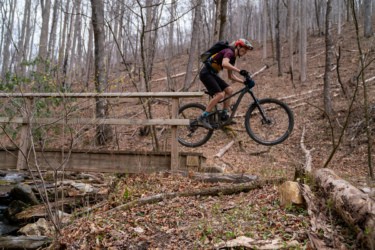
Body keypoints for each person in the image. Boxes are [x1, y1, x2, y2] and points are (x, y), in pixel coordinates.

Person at [199, 38, 253, 130]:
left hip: (211, 74)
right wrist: (240, 71)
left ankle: (223, 116)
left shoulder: (233, 58)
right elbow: (224, 64)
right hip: (205, 73)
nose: (245, 52)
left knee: (229, 90)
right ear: (238, 46)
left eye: (246, 51)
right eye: (244, 49)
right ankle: (203, 117)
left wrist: (243, 82)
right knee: (219, 95)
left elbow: (230, 76)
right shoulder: (229, 51)